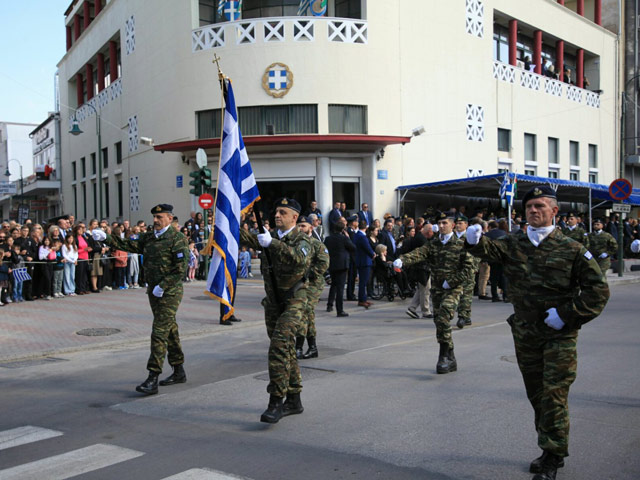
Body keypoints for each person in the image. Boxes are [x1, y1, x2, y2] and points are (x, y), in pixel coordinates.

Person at [464, 185, 610, 480]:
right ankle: (549, 447)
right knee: (537, 393)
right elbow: (489, 250)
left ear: (554, 211)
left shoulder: (571, 249)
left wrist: (567, 315)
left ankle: (553, 455)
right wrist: (473, 240)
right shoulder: (514, 243)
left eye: (540, 206)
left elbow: (598, 291)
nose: (533, 210)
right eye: (529, 206)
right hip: (525, 332)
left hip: (559, 333)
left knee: (554, 393)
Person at [92, 204, 189, 395]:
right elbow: (129, 245)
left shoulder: (177, 238)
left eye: (160, 217)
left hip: (169, 291)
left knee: (159, 331)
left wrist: (163, 285)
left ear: (170, 218)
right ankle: (178, 370)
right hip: (154, 290)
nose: (155, 220)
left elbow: (180, 269)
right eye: (154, 217)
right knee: (169, 329)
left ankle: (153, 376)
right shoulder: (149, 237)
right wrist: (107, 238)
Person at [239, 197, 311, 424]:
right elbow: (242, 237)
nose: (277, 215)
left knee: (278, 347)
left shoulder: (301, 239)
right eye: (276, 212)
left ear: (294, 217)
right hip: (273, 302)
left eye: (283, 212)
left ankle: (276, 401)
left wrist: (272, 244)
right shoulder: (267, 236)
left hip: (293, 301)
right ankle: (294, 399)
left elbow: (299, 259)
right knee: (286, 349)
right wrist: (233, 217)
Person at [393, 211, 475, 374]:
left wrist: (451, 281)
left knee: (444, 314)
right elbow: (419, 253)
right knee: (439, 321)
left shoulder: (462, 244)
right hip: (437, 289)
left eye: (445, 223)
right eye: (440, 223)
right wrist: (402, 260)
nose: (442, 226)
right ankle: (450, 354)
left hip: (454, 288)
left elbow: (469, 269)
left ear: (452, 225)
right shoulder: (434, 244)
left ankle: (443, 356)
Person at [295, 215, 329, 360]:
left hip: (313, 284)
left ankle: (299, 347)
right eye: (299, 225)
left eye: (303, 226)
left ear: (311, 227)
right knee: (305, 314)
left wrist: (308, 274)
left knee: (305, 311)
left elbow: (324, 263)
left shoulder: (317, 244)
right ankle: (312, 347)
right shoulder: (295, 244)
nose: (301, 228)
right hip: (297, 284)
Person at [454, 214, 480, 328]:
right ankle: (466, 315)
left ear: (466, 225)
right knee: (456, 294)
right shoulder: (452, 237)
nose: (458, 225)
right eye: (457, 223)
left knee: (466, 294)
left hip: (468, 271)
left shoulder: (471, 237)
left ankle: (462, 316)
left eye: (461, 223)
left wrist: (474, 267)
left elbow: (477, 253)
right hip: (455, 271)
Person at [324, 219, 355, 317]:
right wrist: (348, 237)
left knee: (333, 285)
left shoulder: (328, 239)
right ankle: (340, 310)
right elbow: (353, 247)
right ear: (342, 229)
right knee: (340, 288)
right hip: (342, 264)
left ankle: (329, 305)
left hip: (332, 264)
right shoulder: (344, 238)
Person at [406, 223, 434, 319]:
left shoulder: (419, 237)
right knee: (425, 289)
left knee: (421, 289)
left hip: (421, 267)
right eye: (432, 232)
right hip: (422, 268)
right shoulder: (422, 239)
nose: (433, 234)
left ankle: (412, 308)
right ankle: (426, 311)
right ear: (428, 231)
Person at [353, 220, 375, 308]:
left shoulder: (357, 235)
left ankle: (363, 298)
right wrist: (373, 254)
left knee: (363, 281)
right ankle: (362, 300)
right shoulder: (362, 236)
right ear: (366, 227)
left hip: (360, 260)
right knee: (363, 281)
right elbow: (367, 248)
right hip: (364, 261)